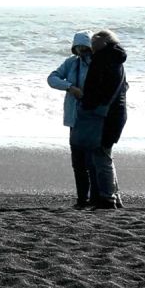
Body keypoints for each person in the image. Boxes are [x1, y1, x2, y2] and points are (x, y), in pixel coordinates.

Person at [78, 29, 129, 209]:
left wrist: (91, 105)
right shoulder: (114, 59)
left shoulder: (105, 59)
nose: (92, 44)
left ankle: (108, 198)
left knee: (102, 155)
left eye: (95, 40)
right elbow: (122, 87)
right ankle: (113, 196)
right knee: (104, 155)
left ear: (105, 41)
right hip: (115, 114)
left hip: (107, 115)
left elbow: (103, 89)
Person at [46, 31, 95, 207]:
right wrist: (70, 87)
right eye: (79, 48)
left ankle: (96, 196)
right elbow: (52, 78)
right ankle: (83, 198)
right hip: (74, 118)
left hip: (92, 118)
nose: (82, 51)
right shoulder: (71, 63)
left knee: (93, 160)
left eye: (85, 47)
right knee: (78, 161)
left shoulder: (98, 64)